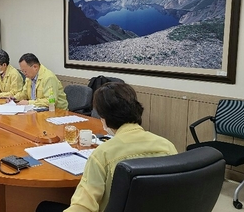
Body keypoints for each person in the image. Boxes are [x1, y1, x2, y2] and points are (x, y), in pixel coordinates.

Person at [36, 82, 178, 212]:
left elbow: (83, 207)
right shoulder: (167, 146)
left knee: (44, 207)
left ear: (103, 117)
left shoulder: (102, 154)